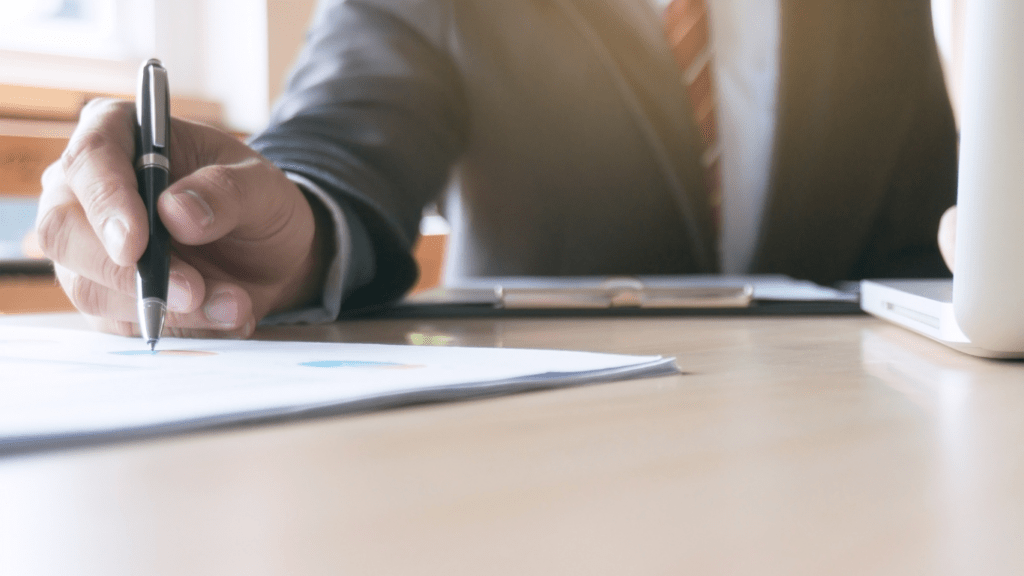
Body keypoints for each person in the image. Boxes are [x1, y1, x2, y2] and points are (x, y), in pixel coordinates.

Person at [35, 0, 960, 339]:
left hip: (842, 438)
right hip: (533, 447)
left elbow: (933, 238)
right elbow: (333, 149)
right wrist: (268, 227)